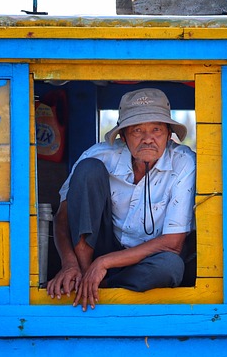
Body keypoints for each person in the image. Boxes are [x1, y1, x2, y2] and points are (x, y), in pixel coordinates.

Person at [46, 88, 196, 311]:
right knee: (89, 170)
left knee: (171, 266)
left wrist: (104, 264)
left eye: (156, 129)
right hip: (101, 247)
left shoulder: (183, 162)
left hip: (146, 259)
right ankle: (86, 275)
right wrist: (69, 264)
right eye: (137, 131)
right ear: (123, 136)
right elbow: (62, 219)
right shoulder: (100, 155)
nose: (148, 139)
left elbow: (172, 244)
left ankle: (100, 287)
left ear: (169, 134)